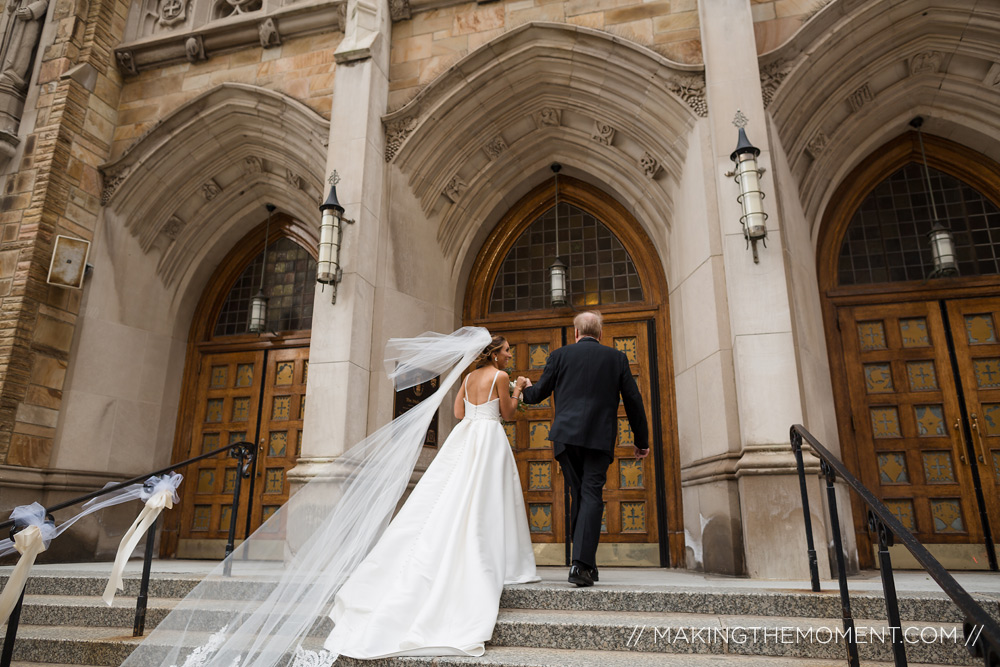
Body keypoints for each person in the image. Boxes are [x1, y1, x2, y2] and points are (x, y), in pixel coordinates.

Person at [322, 334, 539, 659]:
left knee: (455, 495)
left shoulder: (467, 378)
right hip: (490, 439)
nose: (510, 355)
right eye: (507, 351)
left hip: (466, 438)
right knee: (489, 501)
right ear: (495, 354)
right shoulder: (501, 376)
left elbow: (457, 412)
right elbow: (508, 414)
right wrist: (519, 388)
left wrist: (478, 411)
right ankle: (497, 558)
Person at [519, 311, 649, 587]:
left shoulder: (559, 356)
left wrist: (523, 388)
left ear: (576, 333)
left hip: (566, 439)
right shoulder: (617, 358)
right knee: (590, 494)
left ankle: (585, 561)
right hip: (599, 438)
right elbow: (634, 401)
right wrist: (642, 441)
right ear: (600, 334)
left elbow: (537, 395)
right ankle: (581, 565)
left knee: (579, 494)